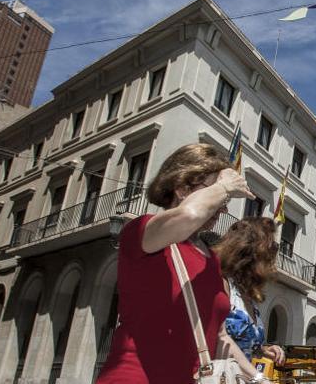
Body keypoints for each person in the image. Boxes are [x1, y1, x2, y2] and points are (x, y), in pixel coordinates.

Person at [97, 143, 266, 383]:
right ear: (182, 189)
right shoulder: (143, 230)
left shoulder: (212, 260)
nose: (224, 206)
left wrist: (259, 379)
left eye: (225, 198)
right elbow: (190, 215)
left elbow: (220, 338)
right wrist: (225, 186)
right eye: (216, 193)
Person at [213, 216, 286, 366]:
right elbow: (219, 338)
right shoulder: (221, 283)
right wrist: (257, 377)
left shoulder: (247, 293)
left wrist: (264, 350)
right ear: (250, 250)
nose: (273, 253)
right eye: (270, 246)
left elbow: (243, 343)